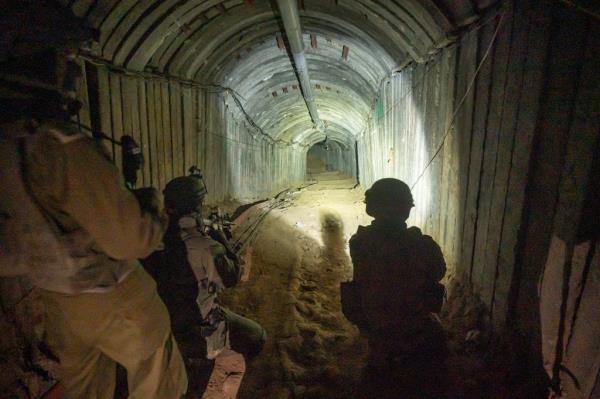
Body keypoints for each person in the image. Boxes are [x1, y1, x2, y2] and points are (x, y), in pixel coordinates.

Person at [0, 2, 187, 398]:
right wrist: (153, 208)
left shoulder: (8, 144)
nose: (69, 71)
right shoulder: (62, 146)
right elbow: (130, 240)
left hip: (56, 303)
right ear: (40, 63)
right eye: (65, 58)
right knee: (157, 374)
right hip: (109, 293)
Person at [143, 173, 266, 399]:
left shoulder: (147, 237)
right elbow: (233, 277)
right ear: (196, 206)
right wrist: (221, 238)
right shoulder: (204, 246)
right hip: (193, 328)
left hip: (156, 323)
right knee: (256, 336)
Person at [343, 178, 447, 398]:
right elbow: (438, 272)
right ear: (406, 210)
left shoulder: (359, 242)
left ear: (372, 208)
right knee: (438, 339)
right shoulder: (423, 245)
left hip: (373, 324)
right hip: (414, 326)